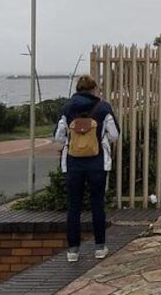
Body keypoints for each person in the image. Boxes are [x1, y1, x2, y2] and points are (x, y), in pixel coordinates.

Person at [54, 75, 120, 262]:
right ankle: (100, 247)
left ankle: (73, 251)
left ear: (77, 89)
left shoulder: (67, 108)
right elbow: (114, 135)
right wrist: (101, 138)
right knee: (97, 204)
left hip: (73, 163)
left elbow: (58, 136)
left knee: (73, 206)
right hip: (97, 162)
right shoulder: (103, 108)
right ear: (93, 89)